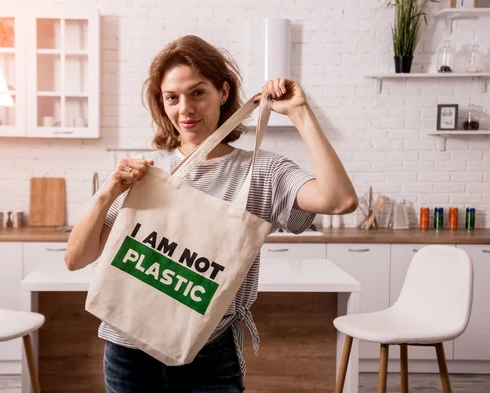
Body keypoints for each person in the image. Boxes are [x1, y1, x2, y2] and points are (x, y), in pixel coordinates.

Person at [65, 35, 357, 393]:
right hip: (127, 353)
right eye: (172, 97)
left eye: (197, 93)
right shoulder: (145, 170)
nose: (184, 109)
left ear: (223, 91)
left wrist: (299, 111)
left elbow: (339, 200)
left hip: (208, 355)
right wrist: (110, 190)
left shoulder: (262, 172)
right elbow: (76, 258)